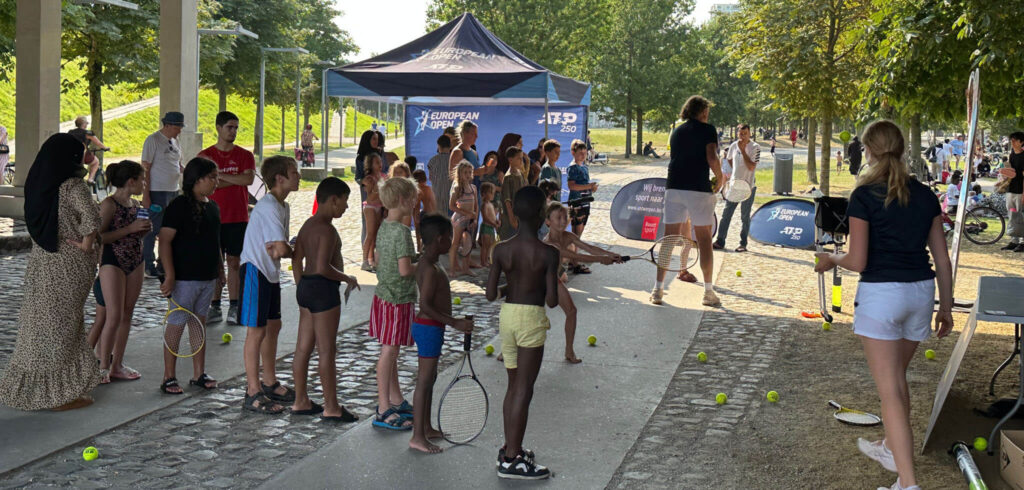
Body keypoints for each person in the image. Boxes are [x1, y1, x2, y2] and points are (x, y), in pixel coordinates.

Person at [814, 120, 953, 490]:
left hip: (882, 295)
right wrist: (947, 307)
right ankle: (892, 448)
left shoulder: (864, 194)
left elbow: (857, 260)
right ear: (903, 148)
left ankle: (908, 483)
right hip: (921, 293)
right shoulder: (925, 195)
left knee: (889, 391)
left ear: (868, 150)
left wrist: (831, 259)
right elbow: (942, 259)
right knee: (897, 382)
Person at [0, 133, 102, 411]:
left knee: (39, 323)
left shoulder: (38, 184)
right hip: (70, 265)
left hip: (42, 263)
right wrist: (86, 244)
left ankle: (34, 388)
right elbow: (92, 221)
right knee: (64, 326)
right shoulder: (72, 186)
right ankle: (58, 394)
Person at [485, 186, 559, 480]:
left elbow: (491, 294)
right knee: (524, 390)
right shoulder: (549, 253)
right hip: (531, 320)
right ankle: (513, 459)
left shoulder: (501, 249)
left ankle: (509, 448)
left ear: (513, 213)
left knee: (513, 385)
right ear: (543, 215)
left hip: (507, 318)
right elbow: (552, 301)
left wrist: (511, 285)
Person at [291, 177, 360, 422]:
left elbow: (297, 259)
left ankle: (300, 401)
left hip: (307, 288)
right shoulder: (327, 230)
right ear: (333, 200)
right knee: (326, 350)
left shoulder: (307, 225)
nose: (346, 207)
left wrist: (301, 287)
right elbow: (322, 267)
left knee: (302, 348)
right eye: (344, 201)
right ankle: (332, 406)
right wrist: (347, 277)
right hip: (323, 290)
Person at [238, 156, 300, 413]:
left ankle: (269, 381)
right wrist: (286, 249)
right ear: (279, 178)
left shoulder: (282, 206)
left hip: (270, 272)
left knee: (273, 325)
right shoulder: (269, 206)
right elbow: (281, 248)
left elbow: (280, 248)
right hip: (256, 269)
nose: (298, 176)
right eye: (293, 172)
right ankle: (252, 391)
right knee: (257, 331)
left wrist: (283, 249)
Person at [409, 214, 475, 453]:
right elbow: (425, 305)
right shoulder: (429, 268)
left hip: (432, 328)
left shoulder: (432, 264)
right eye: (450, 236)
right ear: (439, 239)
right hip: (428, 328)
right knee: (424, 382)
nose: (452, 239)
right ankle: (417, 436)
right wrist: (454, 322)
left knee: (431, 379)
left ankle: (426, 427)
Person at [158, 157, 223, 394]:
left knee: (199, 324)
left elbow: (216, 242)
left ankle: (199, 372)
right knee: (176, 325)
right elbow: (165, 241)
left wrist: (220, 270)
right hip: (184, 277)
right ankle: (169, 375)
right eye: (212, 177)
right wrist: (170, 275)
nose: (217, 181)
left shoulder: (213, 206)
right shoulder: (179, 205)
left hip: (207, 277)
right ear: (198, 179)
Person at [653, 96, 723, 307]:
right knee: (704, 241)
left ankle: (657, 289)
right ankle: (708, 292)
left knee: (668, 240)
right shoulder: (708, 129)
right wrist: (720, 178)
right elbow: (711, 156)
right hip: (698, 189)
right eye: (706, 111)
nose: (708, 114)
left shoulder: (677, 131)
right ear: (702, 111)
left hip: (674, 186)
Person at [370, 176, 420, 430]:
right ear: (402, 200)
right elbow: (404, 269)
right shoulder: (401, 232)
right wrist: (422, 265)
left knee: (392, 350)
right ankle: (382, 407)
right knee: (389, 352)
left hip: (383, 296)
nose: (414, 203)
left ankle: (396, 398)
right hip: (397, 299)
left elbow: (378, 260)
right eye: (412, 198)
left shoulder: (384, 226)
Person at [542, 203, 620, 363]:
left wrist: (611, 254)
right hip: (537, 280)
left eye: (565, 217)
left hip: (553, 279)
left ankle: (569, 351)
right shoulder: (549, 243)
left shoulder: (568, 236)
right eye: (558, 218)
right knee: (528, 318)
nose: (563, 221)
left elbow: (589, 248)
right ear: (547, 222)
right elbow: (577, 257)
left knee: (571, 311)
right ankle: (506, 350)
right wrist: (601, 259)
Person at [95, 161, 151, 384]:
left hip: (135, 259)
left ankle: (117, 364)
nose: (144, 184)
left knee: (127, 313)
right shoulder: (109, 204)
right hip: (112, 260)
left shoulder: (136, 204)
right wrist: (130, 229)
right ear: (131, 181)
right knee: (114, 314)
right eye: (142, 179)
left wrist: (143, 232)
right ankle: (102, 366)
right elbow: (98, 238)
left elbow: (136, 233)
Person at [198, 111, 256, 324]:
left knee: (234, 261)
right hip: (211, 216)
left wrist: (218, 177)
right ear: (218, 128)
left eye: (236, 128)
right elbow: (204, 186)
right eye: (229, 127)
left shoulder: (244, 155)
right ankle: (214, 305)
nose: (233, 131)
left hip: (237, 216)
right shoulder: (205, 155)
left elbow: (248, 179)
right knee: (214, 262)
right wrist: (235, 179)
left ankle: (234, 304)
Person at [141, 112, 185, 278]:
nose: (179, 130)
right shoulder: (153, 140)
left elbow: (177, 164)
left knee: (170, 228)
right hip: (156, 191)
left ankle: (163, 262)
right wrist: (146, 195)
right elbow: (146, 167)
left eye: (180, 127)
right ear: (166, 125)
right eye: (176, 127)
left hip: (173, 190)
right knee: (152, 229)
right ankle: (147, 263)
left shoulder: (176, 141)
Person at [714, 124, 760, 253]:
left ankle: (743, 243)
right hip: (735, 186)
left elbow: (751, 167)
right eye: (740, 133)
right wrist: (735, 172)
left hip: (748, 186)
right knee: (726, 214)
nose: (743, 136)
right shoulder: (734, 145)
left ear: (750, 133)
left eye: (745, 133)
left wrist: (743, 151)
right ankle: (720, 241)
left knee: (745, 216)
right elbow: (729, 159)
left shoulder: (755, 147)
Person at [566, 139, 597, 273]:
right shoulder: (573, 167)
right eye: (580, 153)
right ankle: (575, 262)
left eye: (584, 153)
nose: (583, 155)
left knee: (579, 234)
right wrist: (588, 186)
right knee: (576, 235)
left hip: (585, 201)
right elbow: (572, 186)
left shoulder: (585, 167)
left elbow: (585, 185)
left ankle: (574, 261)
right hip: (577, 202)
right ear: (573, 153)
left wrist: (591, 188)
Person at [449, 161, 478, 276]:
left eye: (469, 172)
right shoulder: (457, 188)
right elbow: (451, 206)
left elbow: (476, 205)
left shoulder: (473, 188)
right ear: (459, 173)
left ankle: (465, 267)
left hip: (470, 218)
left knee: (468, 243)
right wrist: (465, 213)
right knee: (455, 243)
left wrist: (475, 217)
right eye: (465, 172)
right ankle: (452, 269)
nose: (467, 174)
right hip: (459, 219)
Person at [449, 120, 495, 190]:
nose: (476, 136)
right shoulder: (458, 152)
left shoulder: (474, 152)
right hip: (463, 195)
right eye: (473, 134)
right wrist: (476, 172)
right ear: (464, 134)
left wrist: (485, 170)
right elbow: (453, 176)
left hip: (475, 193)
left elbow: (478, 174)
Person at [68, 116, 110, 187]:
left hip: (70, 153)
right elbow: (98, 143)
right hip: (82, 153)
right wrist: (105, 148)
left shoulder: (70, 132)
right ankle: (90, 179)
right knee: (96, 162)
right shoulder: (87, 133)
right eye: (86, 122)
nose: (87, 124)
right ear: (84, 124)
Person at [1000, 131, 1024, 252]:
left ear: (1021, 142)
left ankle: (1022, 241)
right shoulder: (1012, 155)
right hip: (1011, 189)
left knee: (1020, 215)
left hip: (1020, 190)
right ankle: (1014, 240)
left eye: (1015, 140)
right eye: (1011, 140)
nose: (1012, 143)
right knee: (1012, 214)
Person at [361, 153, 385, 271]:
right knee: (370, 234)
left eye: (380, 162)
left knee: (376, 235)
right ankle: (365, 260)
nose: (380, 164)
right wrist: (377, 188)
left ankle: (372, 260)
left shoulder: (383, 176)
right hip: (370, 207)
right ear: (370, 164)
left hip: (379, 206)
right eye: (377, 162)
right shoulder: (369, 178)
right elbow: (370, 196)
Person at [499, 147, 528, 241]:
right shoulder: (508, 177)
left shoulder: (520, 174)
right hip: (510, 218)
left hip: (521, 215)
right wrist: (512, 218)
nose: (521, 161)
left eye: (521, 158)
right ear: (510, 160)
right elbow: (507, 200)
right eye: (518, 158)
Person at [427, 134, 453, 217]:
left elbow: (430, 178)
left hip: (437, 197)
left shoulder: (432, 161)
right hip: (451, 198)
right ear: (450, 145)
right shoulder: (454, 160)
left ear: (438, 146)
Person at [412, 169, 435, 250]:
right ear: (425, 179)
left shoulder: (417, 190)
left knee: (418, 229)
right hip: (430, 214)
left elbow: (416, 207)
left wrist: (416, 218)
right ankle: (424, 246)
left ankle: (419, 246)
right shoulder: (428, 189)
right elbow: (433, 203)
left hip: (425, 214)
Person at [479, 182, 500, 268]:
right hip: (486, 227)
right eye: (490, 193)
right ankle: (483, 261)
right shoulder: (484, 205)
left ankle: (487, 260)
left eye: (493, 193)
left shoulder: (491, 204)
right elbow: (485, 218)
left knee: (490, 245)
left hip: (491, 227)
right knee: (485, 246)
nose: (492, 195)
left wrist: (497, 221)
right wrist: (494, 224)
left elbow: (493, 216)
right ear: (484, 194)